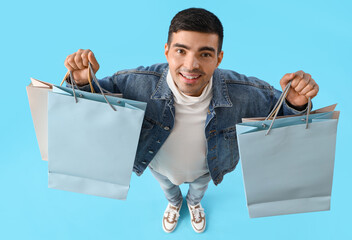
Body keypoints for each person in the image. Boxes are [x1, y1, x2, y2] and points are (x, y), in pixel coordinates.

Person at [63, 8, 319, 233]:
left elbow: (285, 123)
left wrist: (296, 102)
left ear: (219, 58)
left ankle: (194, 204)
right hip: (158, 165)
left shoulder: (245, 93)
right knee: (168, 188)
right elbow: (93, 109)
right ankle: (174, 203)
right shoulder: (136, 83)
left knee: (198, 190)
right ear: (167, 51)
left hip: (206, 169)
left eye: (205, 54)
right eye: (181, 51)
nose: (191, 64)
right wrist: (82, 81)